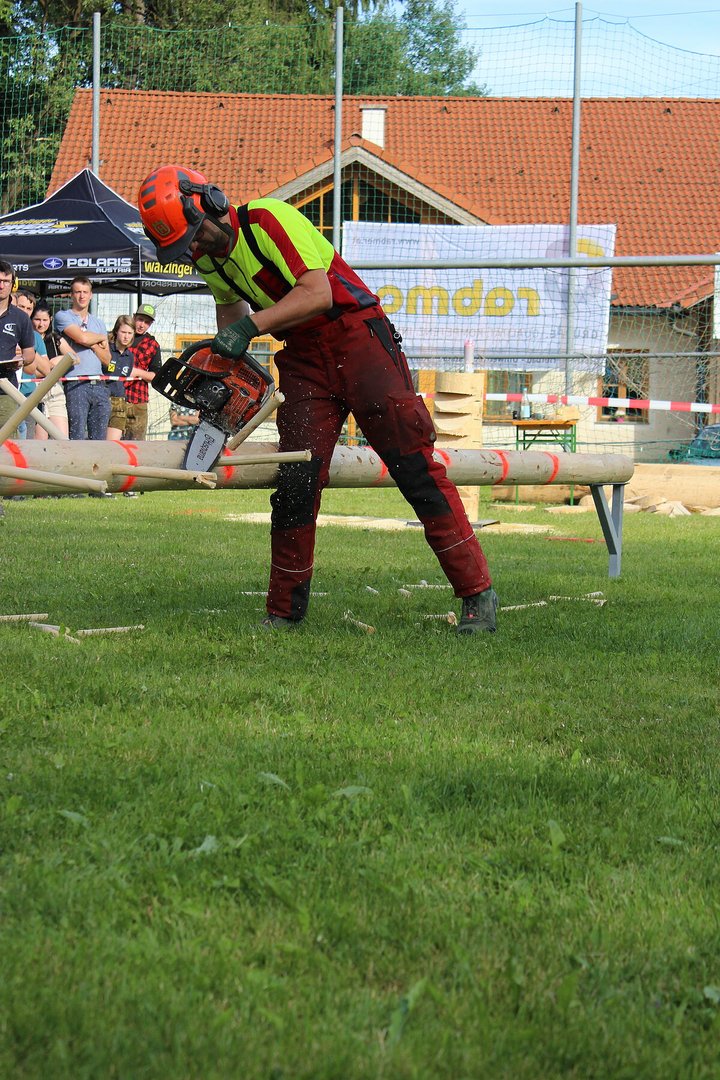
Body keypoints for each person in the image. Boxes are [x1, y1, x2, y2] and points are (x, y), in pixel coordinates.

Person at [138, 165, 498, 634]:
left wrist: (249, 328)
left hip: (358, 338)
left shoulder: (267, 220)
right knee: (296, 477)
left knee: (413, 465)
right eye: (184, 245)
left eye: (195, 236)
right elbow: (231, 313)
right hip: (303, 356)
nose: (194, 248)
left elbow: (317, 292)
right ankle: (284, 610)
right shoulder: (209, 261)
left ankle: (476, 592)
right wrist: (224, 363)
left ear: (211, 202)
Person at [53, 276, 111, 440]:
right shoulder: (63, 316)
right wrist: (99, 339)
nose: (82, 296)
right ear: (71, 295)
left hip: (99, 384)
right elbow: (81, 338)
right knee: (76, 436)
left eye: (85, 292)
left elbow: (107, 360)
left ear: (91, 295)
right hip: (75, 383)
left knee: (99, 440)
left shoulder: (99, 323)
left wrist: (93, 344)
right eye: (78, 292)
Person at [0, 262, 36, 430]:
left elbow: (30, 353)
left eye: (6, 281)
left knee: (6, 441)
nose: (1, 286)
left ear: (13, 284)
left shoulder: (21, 317)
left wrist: (21, 360)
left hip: (6, 390)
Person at [31, 301, 69, 439]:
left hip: (54, 391)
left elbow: (74, 358)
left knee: (62, 438)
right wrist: (47, 369)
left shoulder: (54, 339)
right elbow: (31, 370)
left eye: (45, 320)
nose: (41, 324)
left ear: (50, 319)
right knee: (40, 441)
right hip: (35, 389)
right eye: (37, 319)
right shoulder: (28, 338)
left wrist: (56, 361)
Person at [124, 303, 161, 440]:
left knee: (137, 445)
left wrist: (137, 372)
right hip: (116, 399)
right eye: (140, 319)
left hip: (138, 401)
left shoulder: (153, 344)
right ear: (134, 317)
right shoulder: (120, 337)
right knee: (112, 443)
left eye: (147, 322)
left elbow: (156, 376)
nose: (142, 325)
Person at [106, 315, 136, 441]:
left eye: (129, 333)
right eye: (123, 332)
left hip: (119, 401)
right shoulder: (107, 350)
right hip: (103, 398)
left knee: (113, 443)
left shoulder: (130, 356)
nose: (126, 336)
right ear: (116, 331)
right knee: (98, 441)